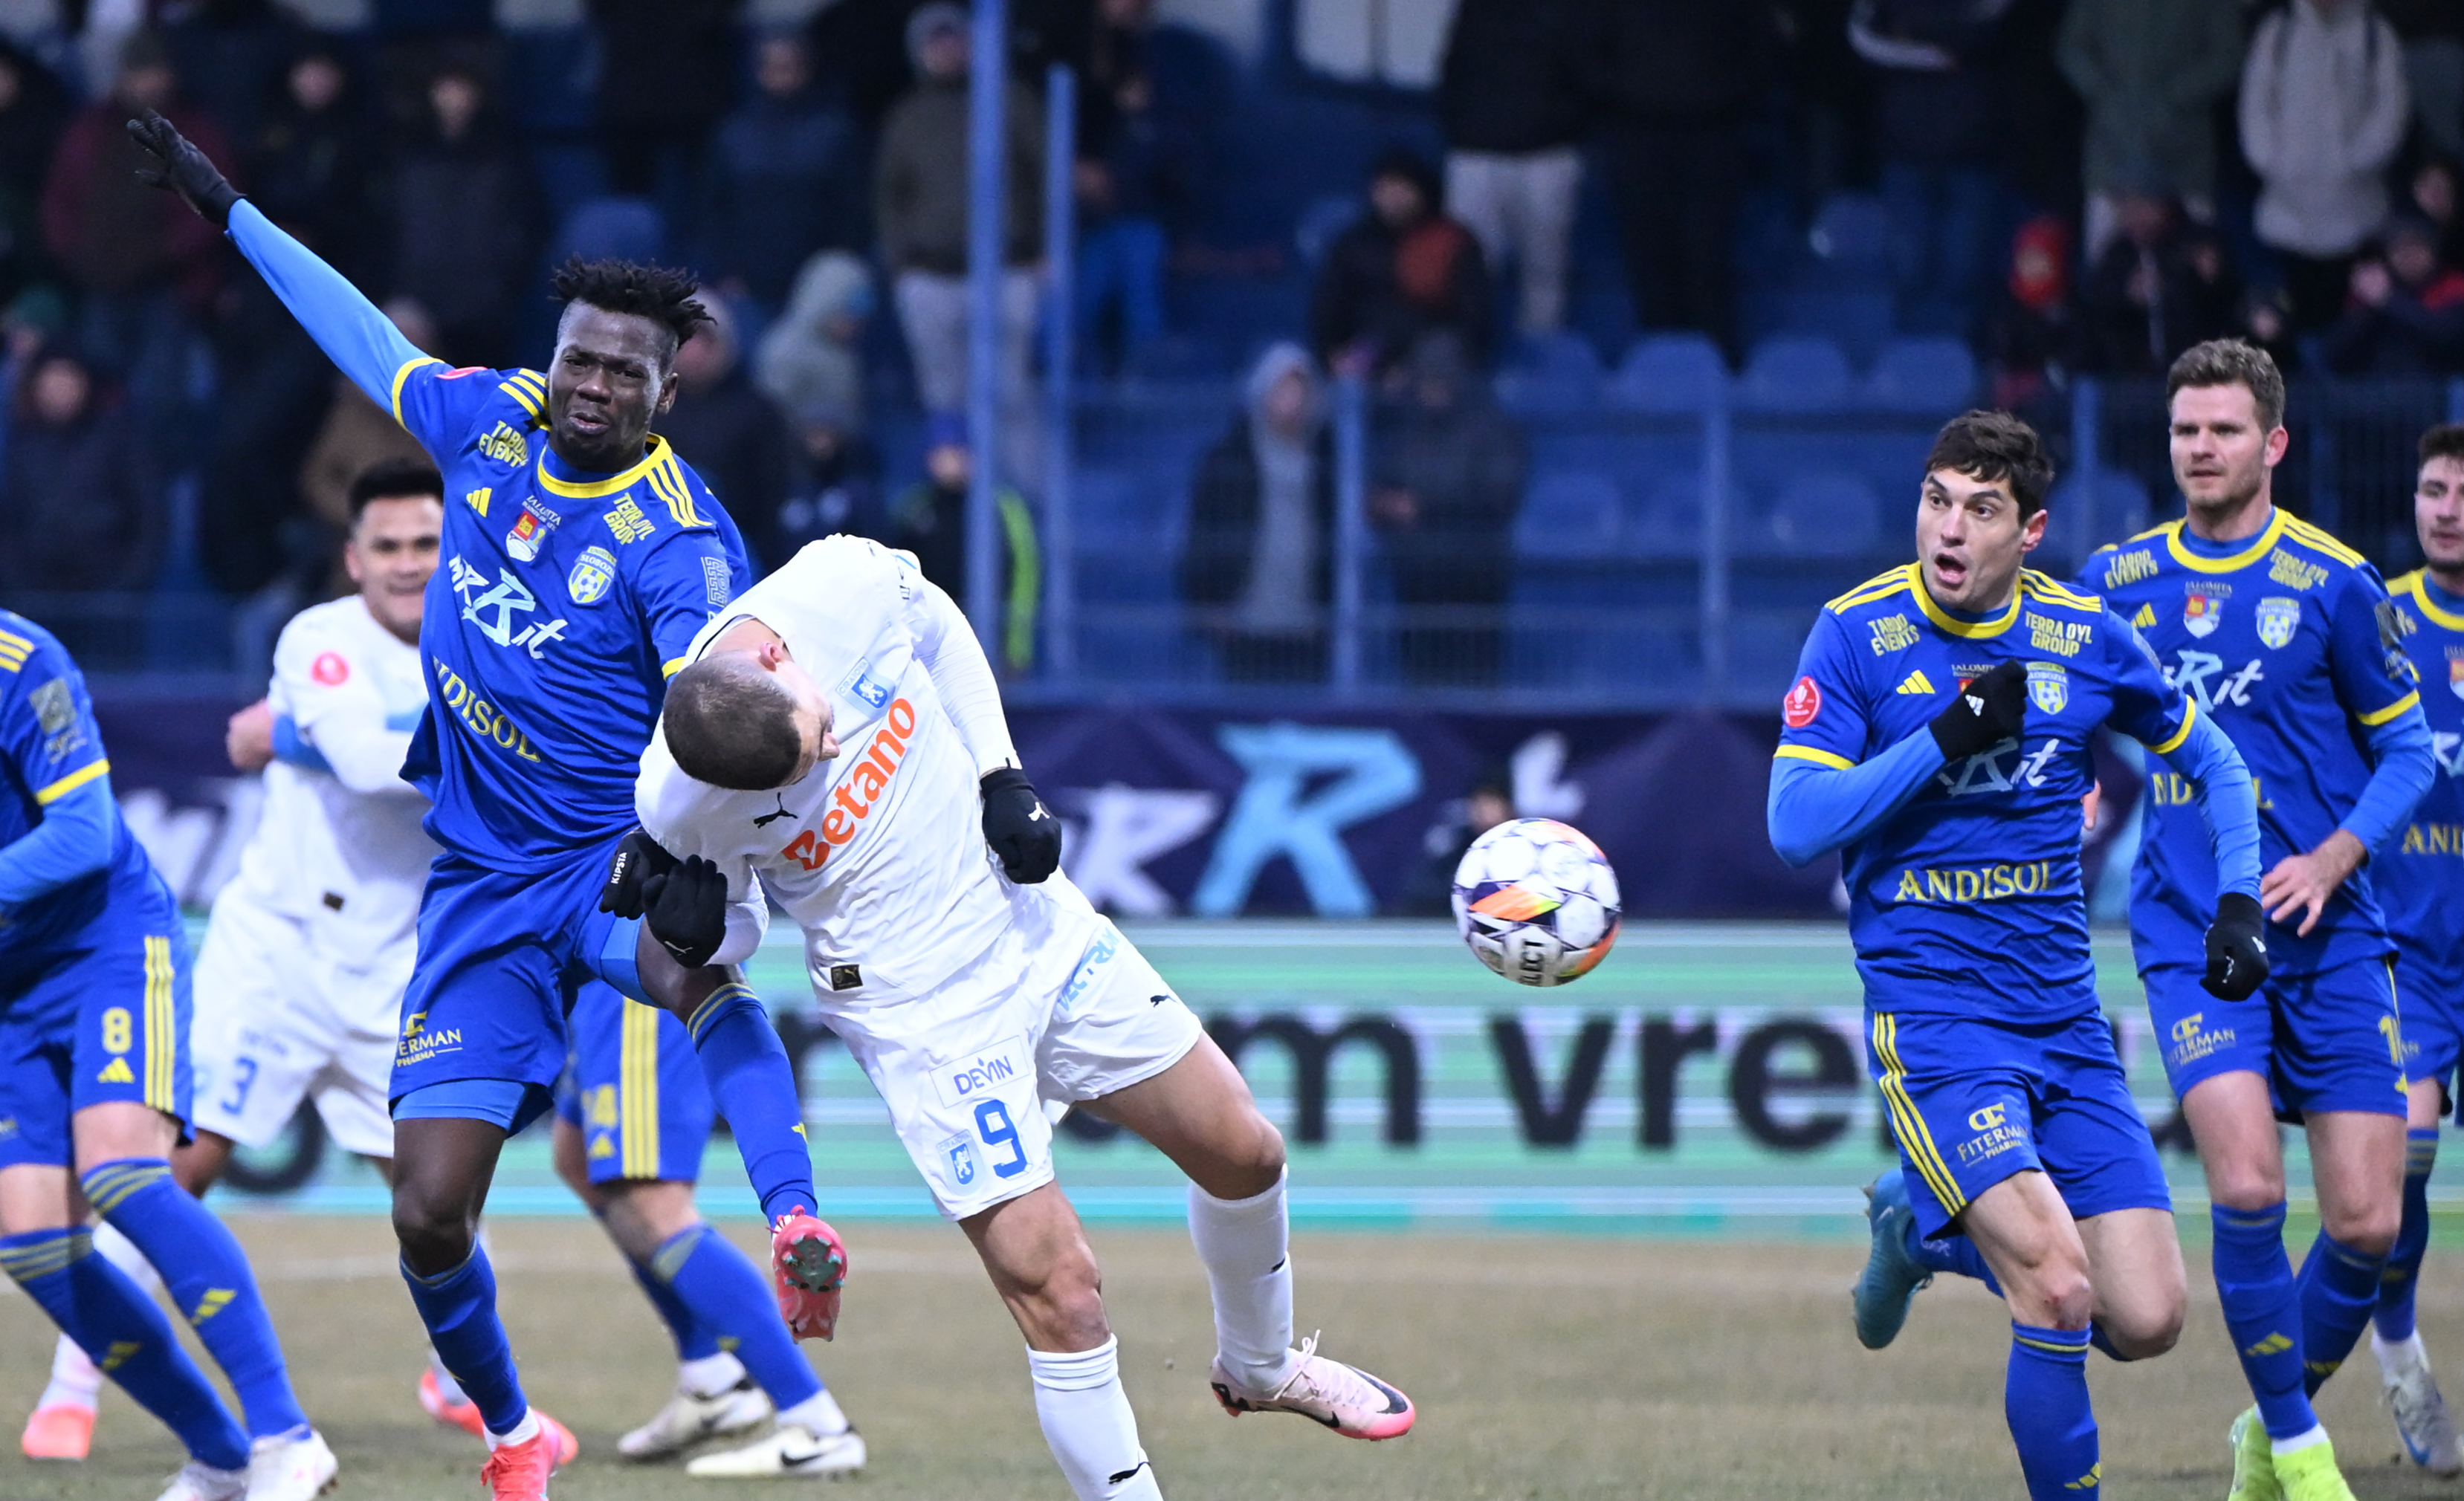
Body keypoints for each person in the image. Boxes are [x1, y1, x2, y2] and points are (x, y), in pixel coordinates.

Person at [125, 108, 844, 1501]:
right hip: (474, 888)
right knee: (428, 1209)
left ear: (664, 395)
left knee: (700, 978)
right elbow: (349, 328)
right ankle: (517, 1434)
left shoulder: (679, 543)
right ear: (553, 355)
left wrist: (698, 840)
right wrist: (228, 209)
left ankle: (800, 1220)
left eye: (622, 373)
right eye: (578, 358)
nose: (588, 386)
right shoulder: (489, 419)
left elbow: (738, 700)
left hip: (604, 871)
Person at [618, 530, 1419, 1501]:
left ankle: (1257, 1367)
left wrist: (1002, 776)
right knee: (1061, 1293)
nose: (823, 753)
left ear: (780, 658)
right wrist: (706, 930)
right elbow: (733, 935)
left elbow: (940, 626)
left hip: (1032, 929)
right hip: (920, 1017)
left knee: (1244, 1151)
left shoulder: (835, 584)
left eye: (817, 730)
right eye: (793, 769)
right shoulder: (674, 796)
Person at [1776, 409, 2263, 1501]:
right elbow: (1796, 823)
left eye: (1980, 510)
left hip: (2063, 1023)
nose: (1947, 530)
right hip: (1938, 1024)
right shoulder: (1853, 634)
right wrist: (1944, 734)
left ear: (2028, 529)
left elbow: (2217, 763)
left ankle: (1917, 1229)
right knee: (2053, 1286)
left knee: (2144, 1320)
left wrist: (2239, 900)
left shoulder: (2082, 638)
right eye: (1935, 500)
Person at [18, 460, 476, 1465]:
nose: (408, 564)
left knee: (436, 1193)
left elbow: (370, 756)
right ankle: (73, 1383)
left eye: (426, 545)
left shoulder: (487, 649)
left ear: (454, 553)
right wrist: (352, 737)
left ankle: (460, 1379)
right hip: (277, 950)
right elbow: (368, 765)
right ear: (353, 558)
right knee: (168, 1172)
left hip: (395, 964)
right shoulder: (319, 639)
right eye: (388, 546)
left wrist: (299, 741)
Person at [2081, 339, 2438, 1501]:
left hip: (2331, 933)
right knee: (2242, 1189)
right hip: (2199, 926)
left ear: (2271, 443)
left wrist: (2335, 856)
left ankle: (2258, 1423)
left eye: (2222, 429)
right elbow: (2052, 696)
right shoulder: (2118, 581)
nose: (2198, 447)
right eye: (2184, 428)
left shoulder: (2333, 585)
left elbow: (2406, 753)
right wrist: (2064, 775)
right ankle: (2296, 1447)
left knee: (2366, 1224)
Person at [0, 610, 339, 1501]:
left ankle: (285, 1438)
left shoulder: (23, 661)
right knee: (32, 1240)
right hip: (5, 982)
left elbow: (82, 835)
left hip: (102, 944)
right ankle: (222, 1456)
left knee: (121, 1175)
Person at [549, 988, 864, 1477]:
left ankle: (815, 1423)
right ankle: (712, 1379)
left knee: (653, 1203)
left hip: (633, 962)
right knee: (580, 1160)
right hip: (591, 972)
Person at [2363, 422, 2464, 1475]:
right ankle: (2402, 1365)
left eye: (2461, 492)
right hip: (2407, 951)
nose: (2444, 507)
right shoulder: (2378, 618)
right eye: (2432, 488)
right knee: (2403, 1176)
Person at [875, 2, 1044, 420]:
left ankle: (1019, 486)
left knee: (1012, 396)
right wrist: (902, 266)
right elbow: (889, 196)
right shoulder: (907, 115)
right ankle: (952, 483)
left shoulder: (1012, 101)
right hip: (931, 275)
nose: (948, 50)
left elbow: (1045, 178)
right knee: (943, 397)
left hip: (1009, 270)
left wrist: (1045, 252)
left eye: (955, 39)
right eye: (936, 41)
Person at [1588, 0, 1771, 357]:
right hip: (1636, 133)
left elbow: (1761, 49)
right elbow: (1585, 49)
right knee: (1650, 263)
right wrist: (1628, 91)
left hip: (1713, 135)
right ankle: (1660, 370)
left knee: (1709, 262)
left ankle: (1717, 372)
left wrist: (1721, 94)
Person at [2239, 0, 2411, 333]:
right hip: (2286, 216)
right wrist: (2271, 160)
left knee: (2351, 329)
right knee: (2282, 326)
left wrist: (2355, 160)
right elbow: (2256, 102)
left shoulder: (2375, 33)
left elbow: (2391, 107)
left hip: (2356, 215)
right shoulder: (2279, 31)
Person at [1367, 332, 1526, 687]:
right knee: (1420, 684)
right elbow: (1384, 486)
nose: (1431, 389)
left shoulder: (1492, 427)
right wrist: (1383, 505)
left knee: (1473, 684)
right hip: (1417, 578)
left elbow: (1500, 494)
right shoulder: (1407, 428)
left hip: (1474, 578)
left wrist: (1423, 506)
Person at [1851, 0, 2016, 340]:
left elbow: (1984, 33)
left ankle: (1961, 372)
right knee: (1908, 270)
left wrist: (1910, 33)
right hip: (1904, 149)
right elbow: (1863, 41)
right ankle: (1913, 372)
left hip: (1973, 150)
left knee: (1965, 270)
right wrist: (1932, 47)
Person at [1178, 342, 1334, 684]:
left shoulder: (1328, 464)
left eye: (1300, 390)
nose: (1293, 401)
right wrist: (1205, 604)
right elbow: (1201, 533)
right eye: (1283, 389)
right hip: (1244, 624)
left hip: (1307, 625)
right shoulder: (1228, 460)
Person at [1435, 0, 1588, 338]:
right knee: (1467, 266)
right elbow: (1454, 68)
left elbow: (1588, 66)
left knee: (1544, 269)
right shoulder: (1476, 8)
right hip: (1477, 152)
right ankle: (1467, 352)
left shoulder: (1570, 10)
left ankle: (1543, 355)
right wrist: (1464, 129)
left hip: (1547, 154)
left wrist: (1563, 125)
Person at [2055, 0, 2246, 259]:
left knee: (2191, 271)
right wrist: (2104, 94)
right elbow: (2071, 47)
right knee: (2109, 274)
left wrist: (2176, 97)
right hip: (2111, 151)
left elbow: (2227, 55)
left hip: (2184, 154)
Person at [387, 66, 539, 371]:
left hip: (486, 306)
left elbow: (528, 223)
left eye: (462, 88)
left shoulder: (504, 153)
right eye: (446, 88)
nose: (453, 98)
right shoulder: (406, 154)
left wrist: (503, 282)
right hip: (419, 301)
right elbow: (387, 226)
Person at [699, 32, 862, 313]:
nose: (783, 76)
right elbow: (714, 209)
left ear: (807, 69)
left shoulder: (835, 132)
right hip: (745, 285)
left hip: (815, 284)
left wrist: (833, 277)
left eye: (791, 66)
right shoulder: (734, 133)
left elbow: (851, 211)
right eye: (774, 67)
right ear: (759, 71)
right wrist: (725, 272)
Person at [1307, 149, 1493, 378]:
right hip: (1365, 354)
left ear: (1421, 191)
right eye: (1384, 188)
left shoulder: (1453, 241)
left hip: (1431, 356)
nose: (1392, 197)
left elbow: (1475, 318)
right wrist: (1332, 352)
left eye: (1401, 188)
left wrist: (1408, 370)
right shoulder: (1354, 243)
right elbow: (1329, 305)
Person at [0, 342, 158, 595]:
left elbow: (149, 514)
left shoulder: (118, 436)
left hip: (107, 593)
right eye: (52, 378)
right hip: (36, 595)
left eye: (69, 377)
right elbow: (10, 516)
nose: (60, 388)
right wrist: (17, 585)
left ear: (86, 383)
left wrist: (128, 585)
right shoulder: (21, 440)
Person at [888, 413, 1039, 675]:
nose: (948, 462)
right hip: (927, 643)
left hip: (987, 638)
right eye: (941, 453)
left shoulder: (1003, 506)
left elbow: (1025, 574)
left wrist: (1015, 647)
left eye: (956, 452)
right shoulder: (915, 506)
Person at [656, 299, 794, 574]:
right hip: (658, 543)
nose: (694, 352)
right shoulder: (650, 408)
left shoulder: (757, 411)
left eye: (705, 341)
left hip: (741, 549)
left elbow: (774, 492)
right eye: (686, 340)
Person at [2319, 215, 2464, 373]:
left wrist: (2389, 300)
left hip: (2442, 387)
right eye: (2398, 249)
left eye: (2417, 247)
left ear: (2433, 252)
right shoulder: (2374, 292)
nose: (2409, 256)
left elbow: (2446, 336)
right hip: (2377, 389)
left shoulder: (2455, 285)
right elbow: (2333, 353)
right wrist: (2369, 305)